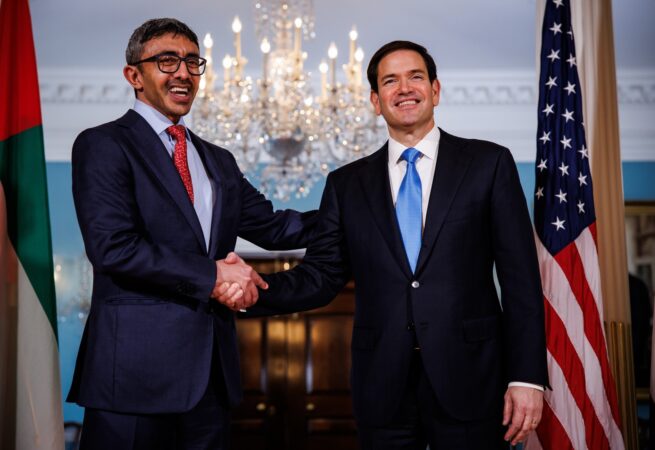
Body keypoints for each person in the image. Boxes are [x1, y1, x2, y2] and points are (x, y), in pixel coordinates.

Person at [222, 40, 548, 449]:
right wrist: (251, 288)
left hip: (473, 377)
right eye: (390, 81)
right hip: (381, 385)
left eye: (415, 77)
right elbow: (321, 276)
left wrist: (526, 377)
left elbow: (521, 280)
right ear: (376, 101)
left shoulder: (488, 164)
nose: (404, 88)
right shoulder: (346, 184)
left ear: (435, 90)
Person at [67, 18, 316, 450]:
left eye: (192, 62)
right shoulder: (103, 144)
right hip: (132, 378)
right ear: (134, 75)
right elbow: (113, 249)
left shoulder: (218, 159)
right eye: (167, 60)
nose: (183, 72)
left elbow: (277, 228)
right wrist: (214, 275)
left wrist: (361, 210)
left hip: (210, 381)